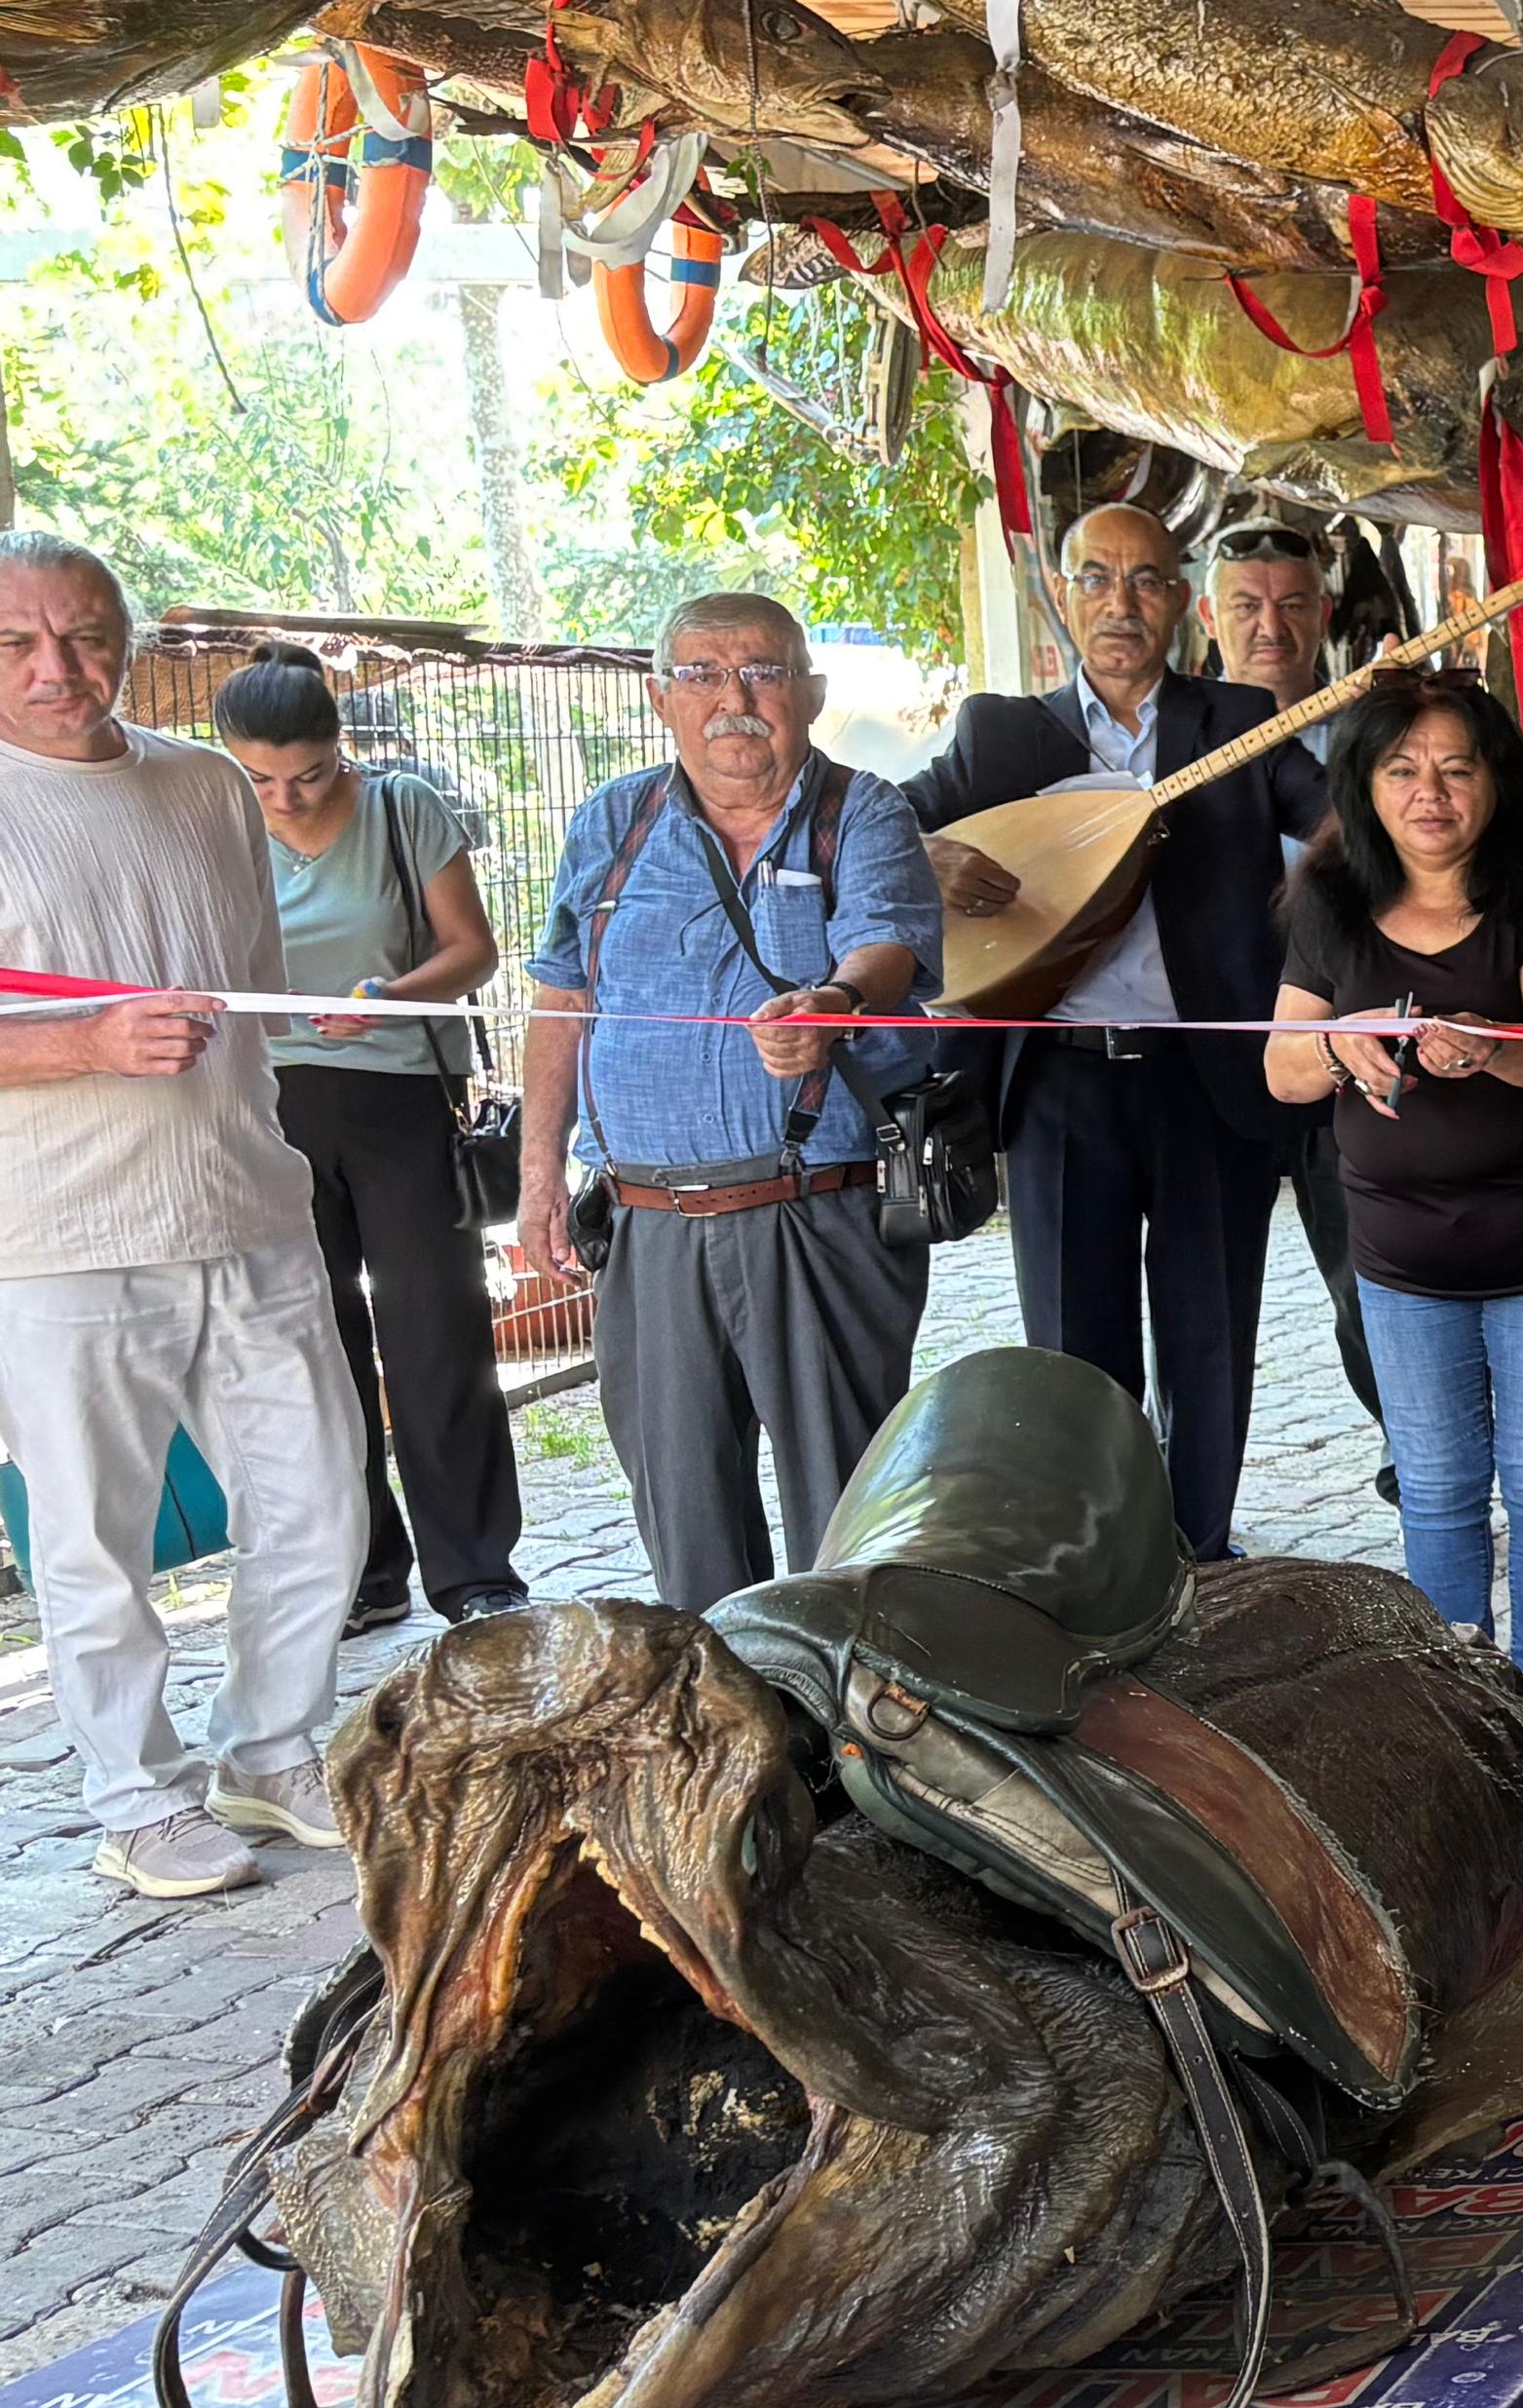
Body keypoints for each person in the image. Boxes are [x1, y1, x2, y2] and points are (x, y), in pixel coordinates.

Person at [0, 540, 373, 1899]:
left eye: (89, 636)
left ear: (127, 638)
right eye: (19, 645)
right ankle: (132, 1798)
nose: (60, 670)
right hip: (54, 1238)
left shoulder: (209, 783)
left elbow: (247, 995)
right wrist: (84, 1044)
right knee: (94, 1537)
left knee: (323, 1500)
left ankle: (269, 1752)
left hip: (248, 1203)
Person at [907, 503, 1325, 1561]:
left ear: (1181, 602)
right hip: (1056, 1085)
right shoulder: (1000, 733)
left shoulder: (1238, 720)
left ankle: (1201, 1556)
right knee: (1072, 1345)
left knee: (1209, 1335)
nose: (1120, 604)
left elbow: (1343, 828)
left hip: (1206, 1077)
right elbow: (867, 819)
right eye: (1096, 578)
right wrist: (929, 858)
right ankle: (1093, 1564)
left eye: (1145, 581)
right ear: (1062, 594)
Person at [517, 590, 943, 1615]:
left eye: (760, 670)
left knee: (847, 1519)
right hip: (649, 1220)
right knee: (683, 1511)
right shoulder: (612, 824)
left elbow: (888, 944)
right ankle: (729, 1742)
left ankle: (855, 1741)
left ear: (809, 691)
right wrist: (538, 1172)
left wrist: (832, 1003)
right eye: (702, 674)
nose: (733, 698)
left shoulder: (864, 810)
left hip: (816, 1209)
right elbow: (561, 997)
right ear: (661, 696)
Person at [1268, 673, 1523, 1676]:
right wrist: (1341, 1043)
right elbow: (1282, 1069)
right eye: (1403, 769)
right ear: (1364, 785)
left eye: (1456, 769)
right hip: (1399, 1255)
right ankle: (1458, 1701)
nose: (1431, 793)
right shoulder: (1329, 900)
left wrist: (1485, 1043)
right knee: (1435, 1485)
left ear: (1495, 782)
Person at [213, 642, 527, 1634]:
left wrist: (391, 996)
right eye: (260, 780)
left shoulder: (402, 807)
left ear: (339, 746)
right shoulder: (213, 824)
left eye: (306, 774)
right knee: (315, 1350)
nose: (287, 798)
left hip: (398, 1095)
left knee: (436, 1335)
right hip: (267, 1107)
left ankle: (474, 1571)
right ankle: (362, 1569)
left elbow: (471, 950)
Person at [1199, 520, 1389, 1472]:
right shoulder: (1176, 736)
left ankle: (1419, 1457)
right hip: (1209, 1067)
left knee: (1368, 1286)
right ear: (1210, 615)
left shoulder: (1369, 730)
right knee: (1200, 1305)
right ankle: (1183, 1505)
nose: (1268, 626)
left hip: (1337, 1058)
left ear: (1321, 615)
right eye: (1245, 604)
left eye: (1289, 604)